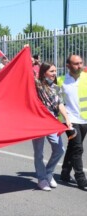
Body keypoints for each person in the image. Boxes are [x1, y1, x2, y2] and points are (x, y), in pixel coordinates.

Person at [32, 62, 71, 191]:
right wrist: (27, 56)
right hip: (38, 122)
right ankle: (41, 179)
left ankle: (48, 173)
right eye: (51, 71)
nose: (54, 74)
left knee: (60, 149)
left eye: (55, 71)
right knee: (39, 153)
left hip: (52, 122)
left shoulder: (56, 87)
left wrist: (66, 118)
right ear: (44, 73)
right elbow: (24, 73)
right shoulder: (37, 85)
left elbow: (60, 104)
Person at [59, 54, 87, 190]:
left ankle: (64, 172)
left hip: (84, 119)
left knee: (73, 147)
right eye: (76, 63)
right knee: (78, 148)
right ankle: (81, 179)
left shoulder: (86, 77)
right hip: (69, 120)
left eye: (81, 63)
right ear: (68, 65)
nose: (79, 66)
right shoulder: (61, 81)